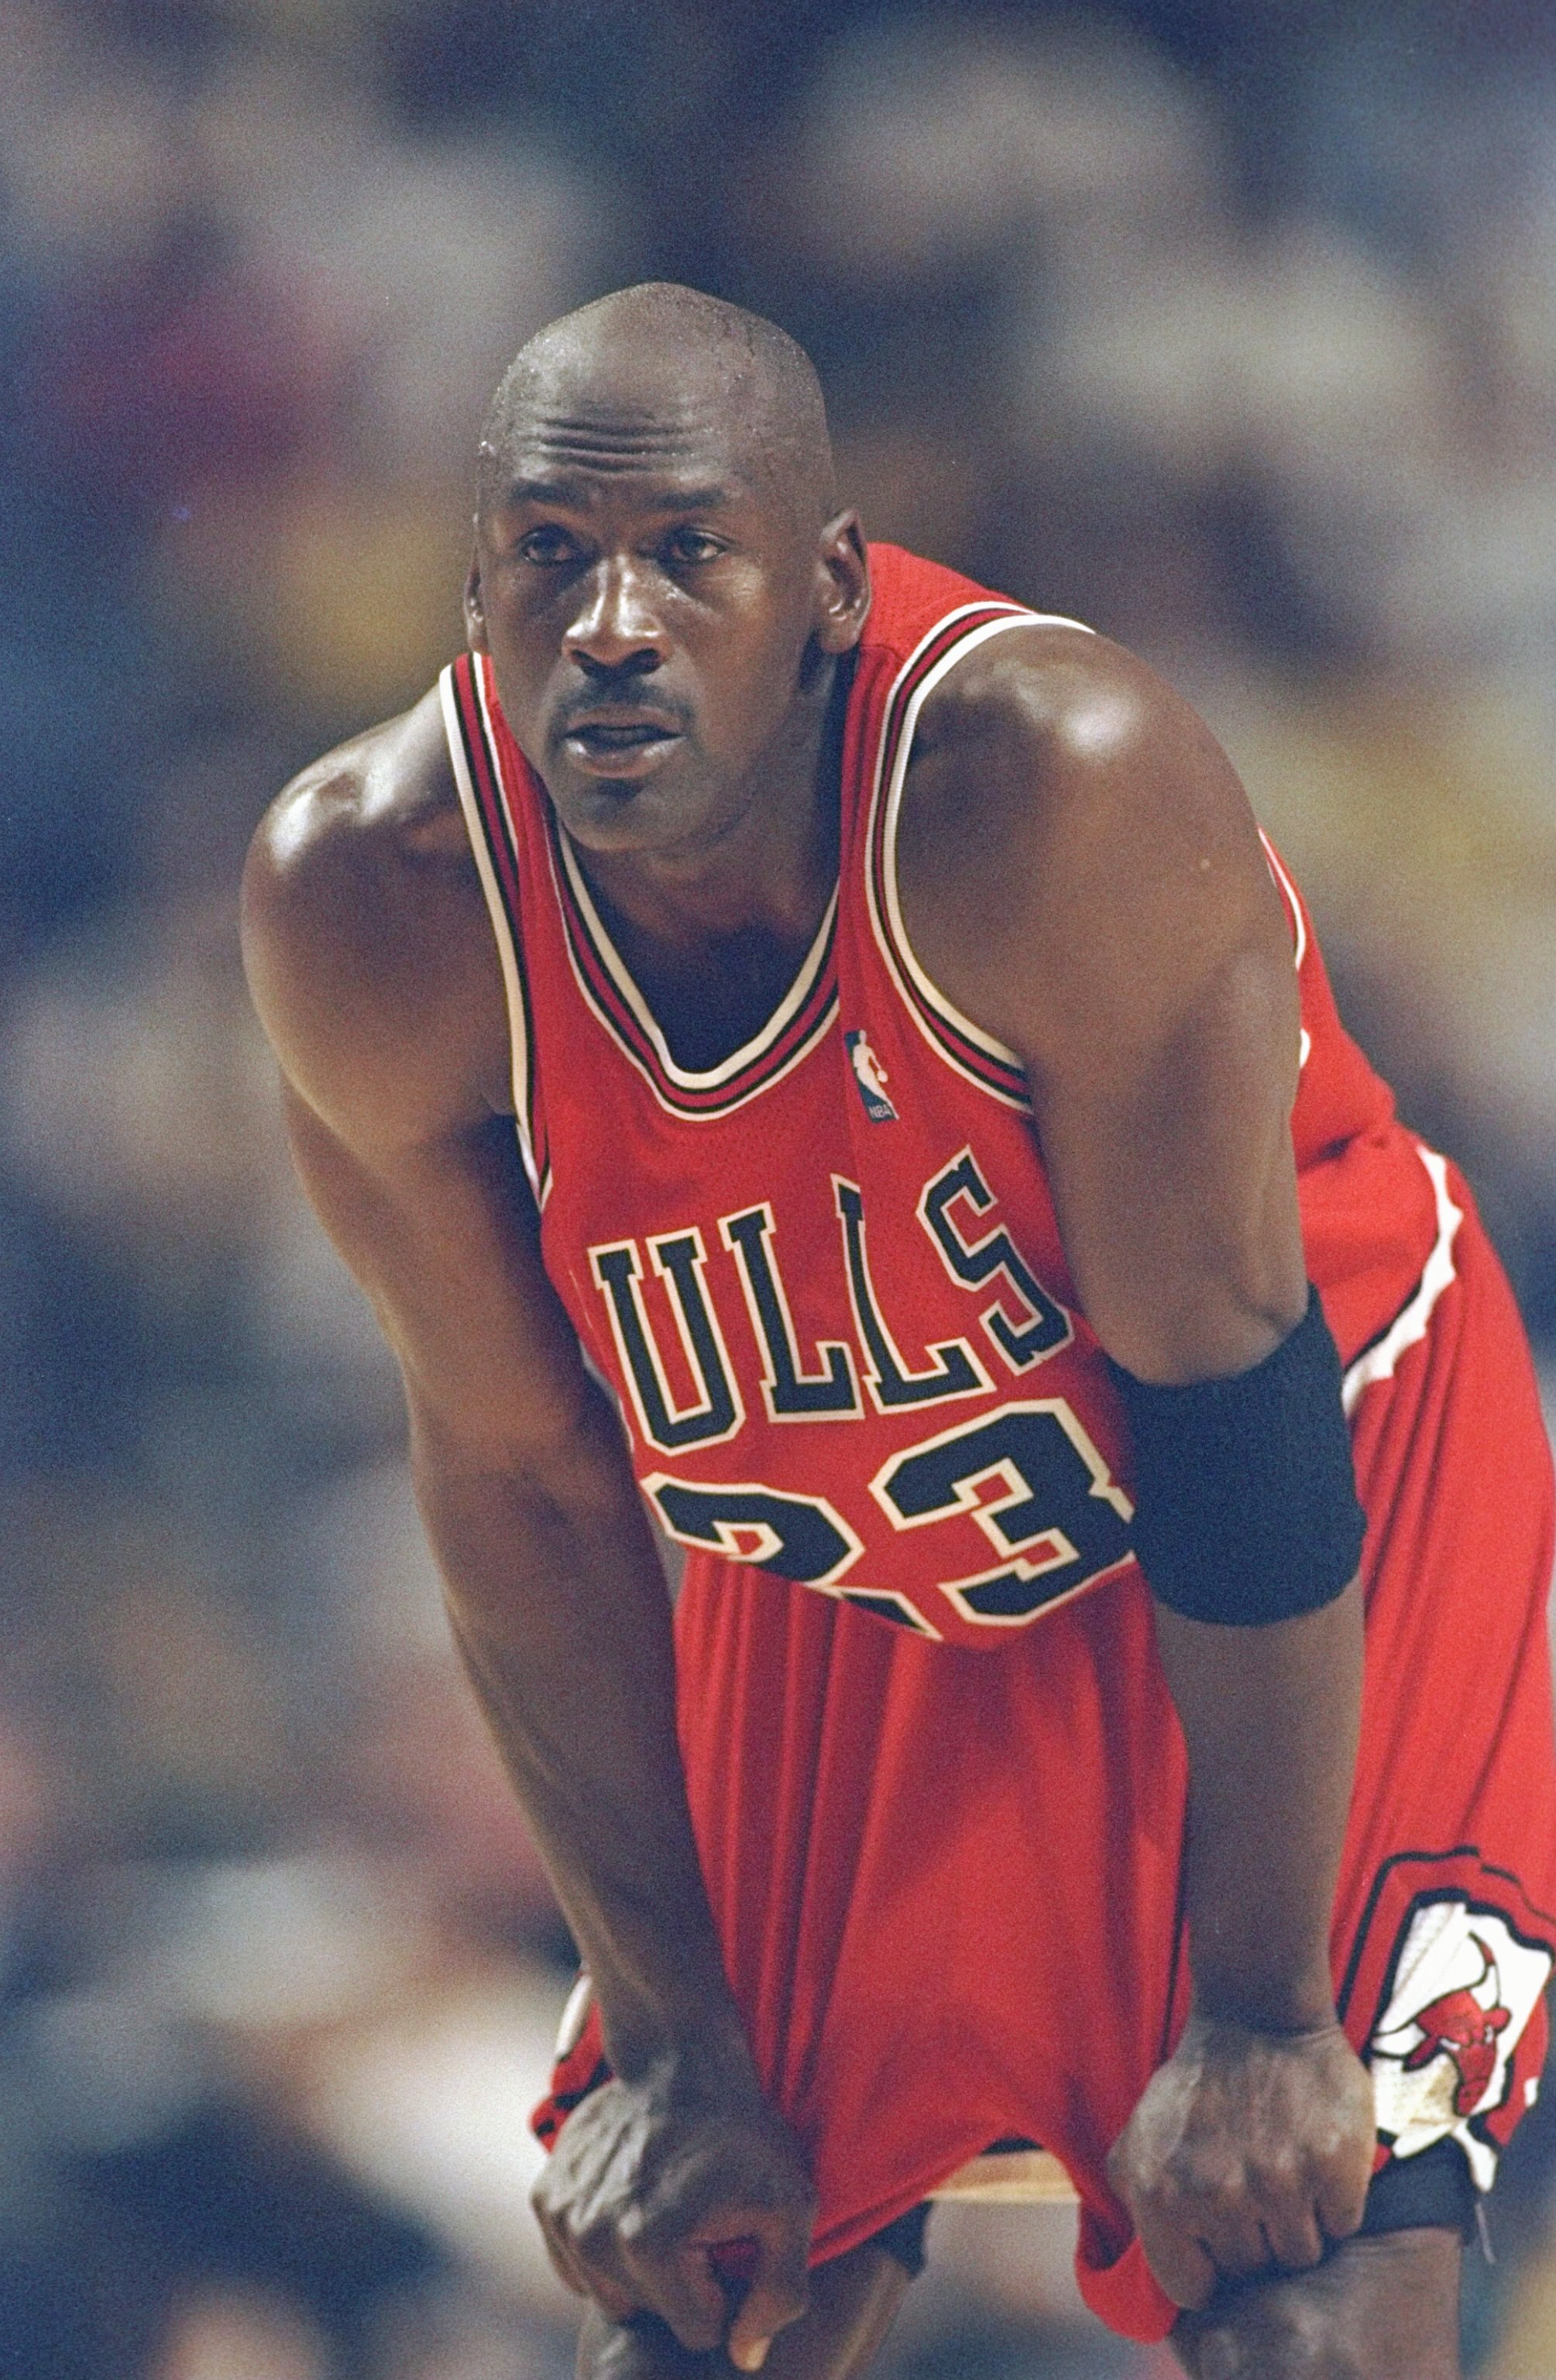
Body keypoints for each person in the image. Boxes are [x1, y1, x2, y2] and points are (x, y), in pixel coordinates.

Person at [242, 284, 1556, 2380]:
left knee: (1301, 2296)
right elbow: (520, 1483)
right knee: (697, 2280)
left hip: (1305, 1480)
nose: (610, 624)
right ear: (475, 596)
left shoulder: (1043, 784)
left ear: (833, 587)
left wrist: (1260, 2018)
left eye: (689, 551)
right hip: (853, 1532)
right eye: (548, 557)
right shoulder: (372, 896)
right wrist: (670, 2045)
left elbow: (1224, 1393)